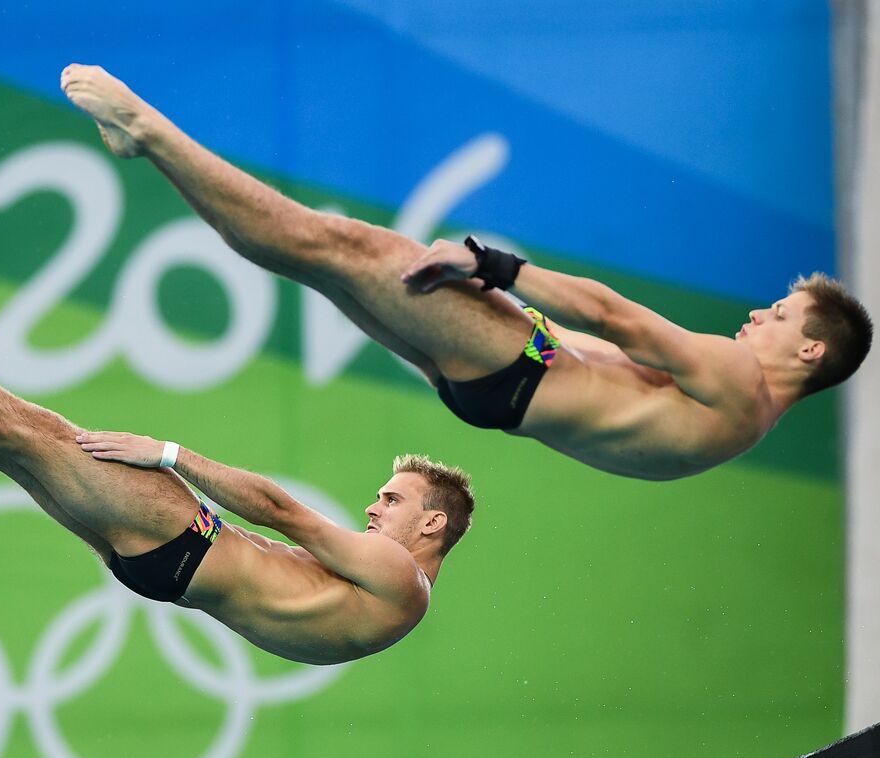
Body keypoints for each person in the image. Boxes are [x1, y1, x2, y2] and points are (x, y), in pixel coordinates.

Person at [60, 64, 873, 481]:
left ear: (812, 352)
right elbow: (613, 370)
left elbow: (617, 317)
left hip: (519, 365)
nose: (758, 318)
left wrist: (493, 263)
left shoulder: (738, 379)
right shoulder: (743, 425)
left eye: (779, 314)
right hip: (504, 389)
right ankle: (151, 147)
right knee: (317, 261)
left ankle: (148, 128)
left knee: (324, 245)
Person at [0, 234, 473, 665]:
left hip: (189, 539)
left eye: (393, 498)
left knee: (19, 428)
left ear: (433, 522)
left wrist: (171, 454)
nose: (373, 504)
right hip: (168, 570)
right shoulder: (390, 605)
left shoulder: (400, 578)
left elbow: (278, 510)